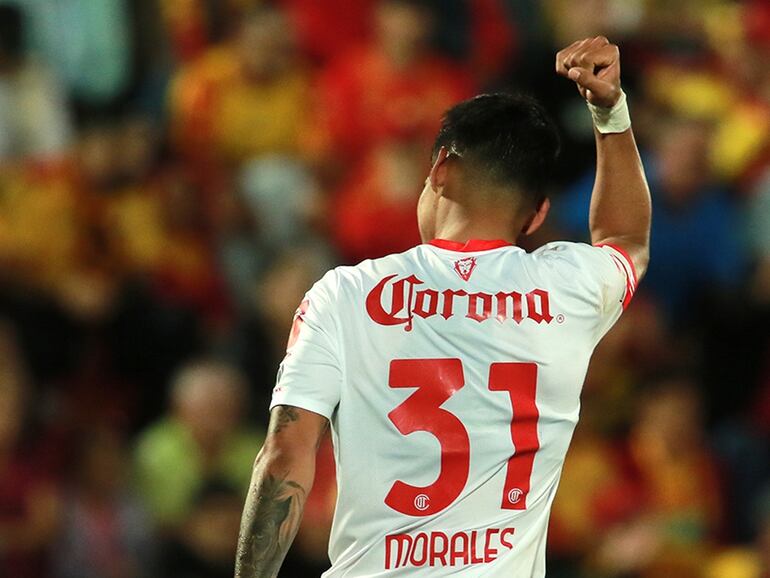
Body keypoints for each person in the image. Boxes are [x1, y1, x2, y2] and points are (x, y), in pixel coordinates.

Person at [235, 36, 652, 577]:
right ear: (536, 215)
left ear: (439, 170)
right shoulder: (567, 289)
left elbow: (284, 459)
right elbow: (625, 238)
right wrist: (609, 110)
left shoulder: (345, 294)